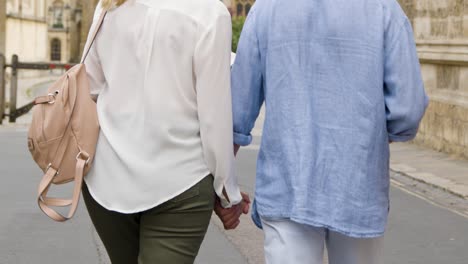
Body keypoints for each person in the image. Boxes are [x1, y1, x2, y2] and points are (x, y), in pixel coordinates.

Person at [218, 0, 429, 263]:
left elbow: (236, 112)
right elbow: (407, 110)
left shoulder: (266, 8)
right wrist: (370, 136)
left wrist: (224, 188)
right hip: (357, 187)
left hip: (288, 186)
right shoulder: (384, 8)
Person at [82, 0, 249, 263]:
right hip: (180, 182)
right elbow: (214, 119)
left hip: (107, 179)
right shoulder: (209, 13)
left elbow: (89, 88)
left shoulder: (109, 6)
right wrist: (228, 193)